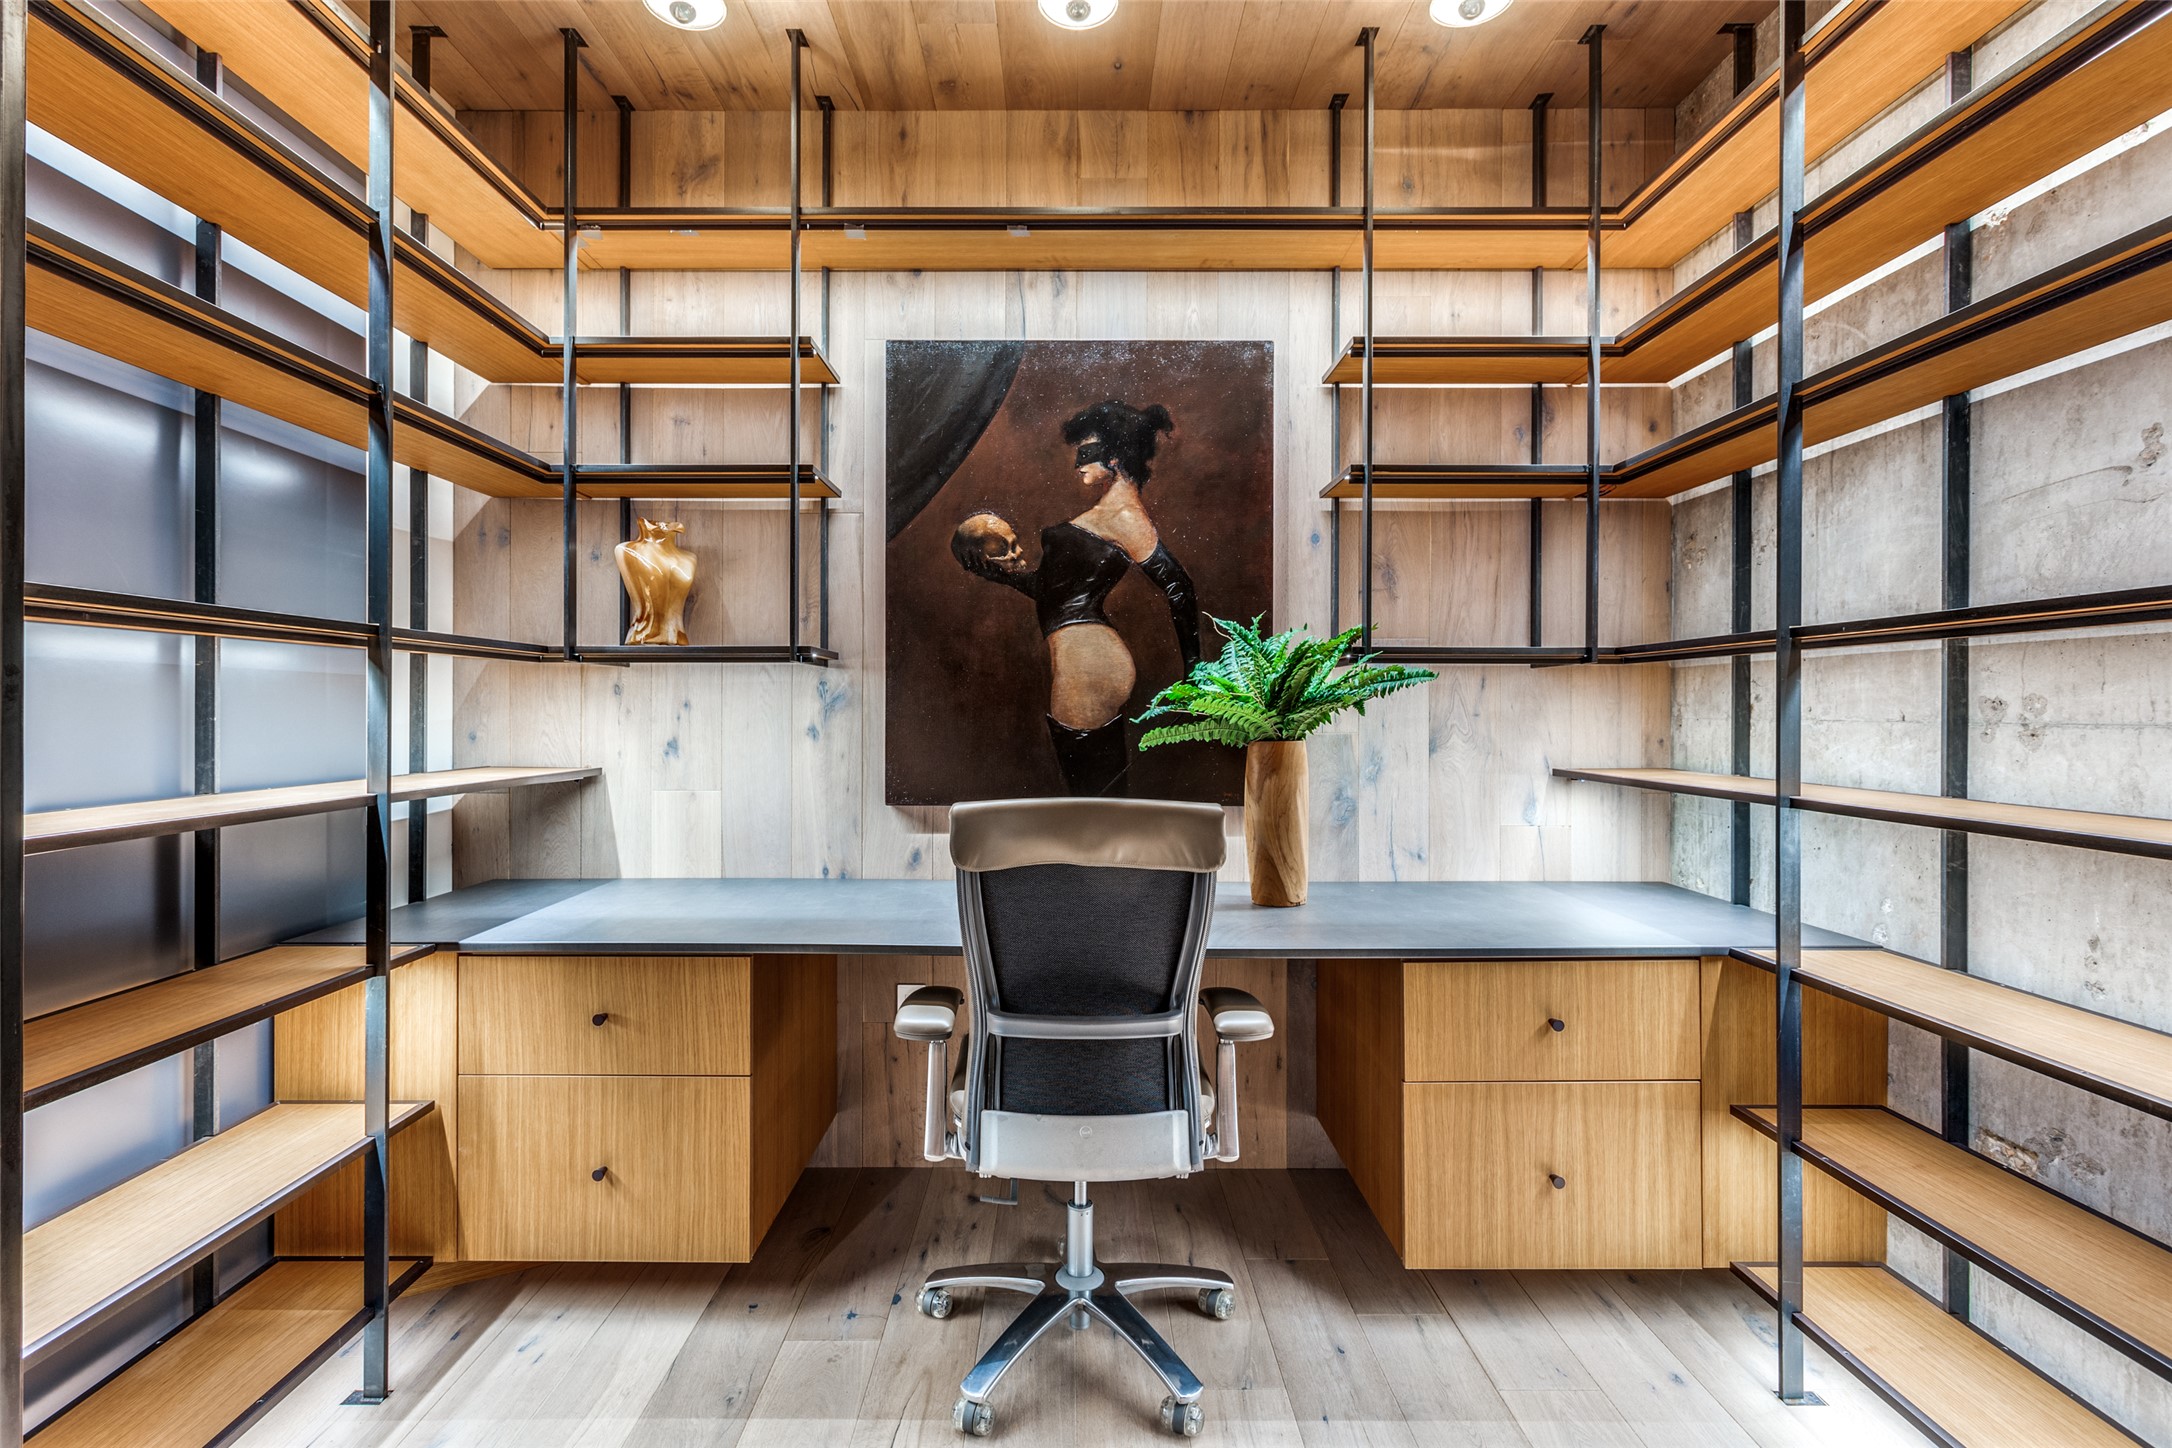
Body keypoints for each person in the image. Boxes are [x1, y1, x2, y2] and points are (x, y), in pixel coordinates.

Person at [953, 400, 1200, 796]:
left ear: (1117, 456)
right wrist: (1001, 577)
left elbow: (1179, 587)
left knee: (1092, 797)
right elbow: (1055, 596)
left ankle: (1103, 858)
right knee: (1095, 794)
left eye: (1087, 453)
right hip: (1085, 660)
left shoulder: (1125, 517)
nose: (1078, 465)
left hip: (1088, 666)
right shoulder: (1110, 512)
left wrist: (1196, 676)